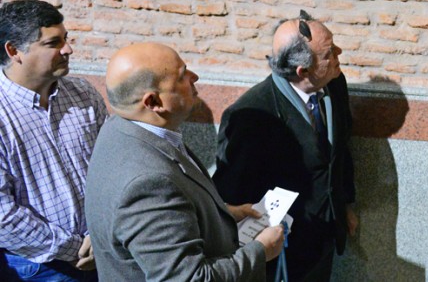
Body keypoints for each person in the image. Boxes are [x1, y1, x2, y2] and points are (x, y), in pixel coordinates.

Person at [84, 43, 284, 281]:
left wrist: (223, 214)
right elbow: (188, 278)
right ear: (153, 103)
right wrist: (261, 251)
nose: (194, 77)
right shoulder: (148, 184)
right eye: (182, 76)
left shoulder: (121, 128)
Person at [213, 11, 358, 282]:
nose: (339, 52)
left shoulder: (335, 82)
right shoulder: (250, 115)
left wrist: (345, 203)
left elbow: (340, 148)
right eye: (329, 53)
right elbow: (233, 191)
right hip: (282, 252)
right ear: (303, 71)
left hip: (325, 235)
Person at [0, 0, 107, 281]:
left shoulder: (83, 94)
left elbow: (113, 169)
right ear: (14, 51)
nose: (68, 49)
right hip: (39, 267)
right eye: (53, 43)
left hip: (103, 249)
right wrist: (74, 249)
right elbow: (3, 217)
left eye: (66, 39)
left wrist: (102, 236)